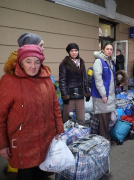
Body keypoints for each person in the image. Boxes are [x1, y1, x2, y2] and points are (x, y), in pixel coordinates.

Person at [0, 44, 64, 180]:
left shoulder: (46, 79)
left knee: (41, 172)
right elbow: (1, 116)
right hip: (24, 142)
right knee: (26, 175)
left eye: (37, 62)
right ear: (20, 62)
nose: (33, 66)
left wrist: (60, 129)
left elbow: (55, 107)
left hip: (46, 137)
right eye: (28, 61)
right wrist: (3, 144)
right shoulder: (9, 81)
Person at [59, 43, 90, 124]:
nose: (74, 52)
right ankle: (66, 133)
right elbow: (62, 81)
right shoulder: (64, 63)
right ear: (68, 52)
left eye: (76, 50)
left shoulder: (81, 62)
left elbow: (85, 79)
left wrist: (87, 92)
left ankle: (81, 133)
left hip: (80, 92)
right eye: (72, 51)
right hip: (69, 94)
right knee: (67, 117)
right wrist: (64, 95)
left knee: (81, 117)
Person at [91, 42, 116, 140]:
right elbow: (98, 80)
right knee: (103, 119)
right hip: (103, 95)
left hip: (110, 95)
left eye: (111, 49)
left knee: (107, 118)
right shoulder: (99, 62)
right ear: (103, 50)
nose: (109, 51)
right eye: (107, 49)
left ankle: (105, 139)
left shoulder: (110, 61)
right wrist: (103, 95)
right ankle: (104, 140)